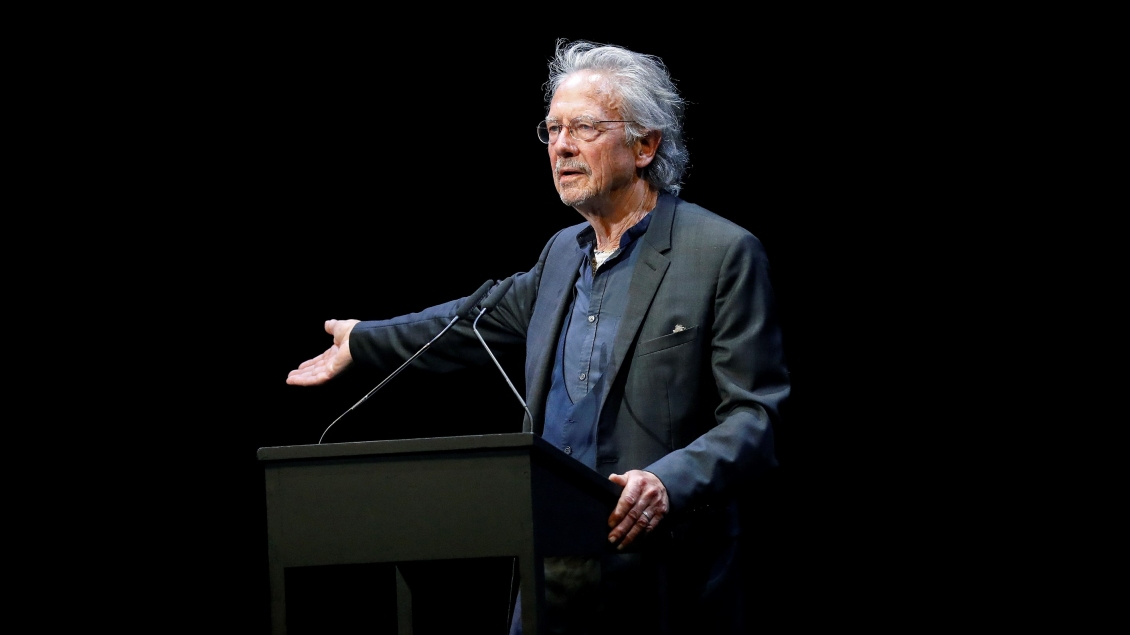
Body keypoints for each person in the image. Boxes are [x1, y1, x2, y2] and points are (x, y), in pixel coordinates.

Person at [287, 39, 789, 635]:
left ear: (645, 145)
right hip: (550, 574)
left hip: (661, 576)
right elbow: (470, 320)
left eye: (584, 128)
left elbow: (756, 418)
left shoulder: (721, 253)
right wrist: (363, 340)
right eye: (552, 129)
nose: (561, 146)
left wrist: (666, 481)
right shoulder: (560, 255)